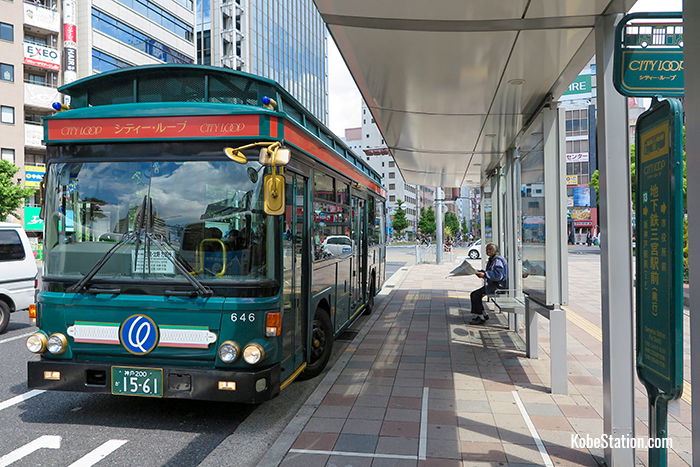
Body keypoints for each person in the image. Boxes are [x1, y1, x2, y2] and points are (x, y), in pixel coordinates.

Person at [469, 243, 508, 325]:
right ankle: (482, 315)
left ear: (495, 250)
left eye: (490, 249)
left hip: (498, 288)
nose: (488, 251)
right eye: (487, 249)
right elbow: (492, 272)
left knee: (475, 295)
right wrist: (481, 272)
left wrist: (485, 274)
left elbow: (498, 276)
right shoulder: (493, 259)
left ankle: (481, 317)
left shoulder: (497, 260)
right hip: (493, 286)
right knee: (475, 294)